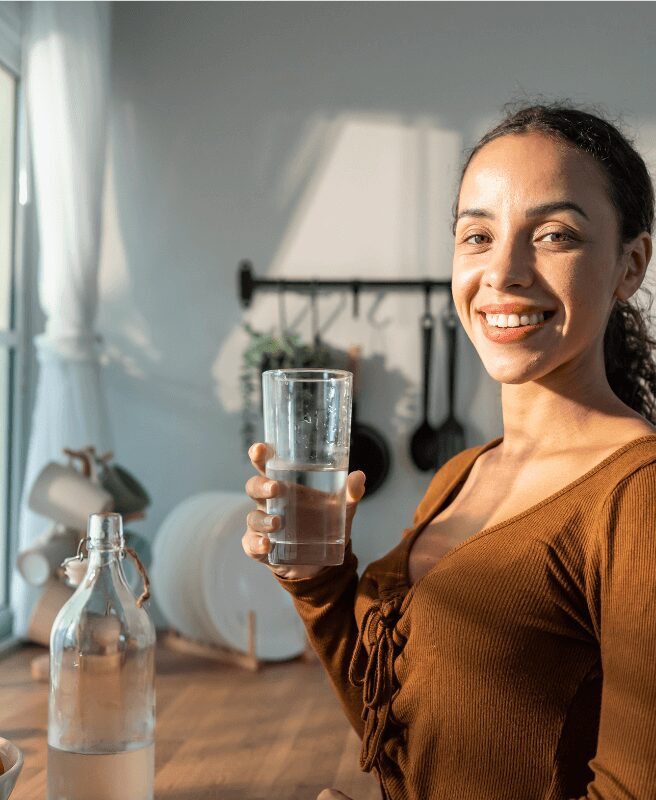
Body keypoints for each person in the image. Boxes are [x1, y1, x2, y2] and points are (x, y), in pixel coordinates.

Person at [242, 102, 656, 800]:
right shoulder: (463, 473)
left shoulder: (637, 497)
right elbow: (404, 726)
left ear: (629, 265)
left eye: (554, 234)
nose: (504, 272)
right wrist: (320, 579)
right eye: (477, 236)